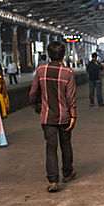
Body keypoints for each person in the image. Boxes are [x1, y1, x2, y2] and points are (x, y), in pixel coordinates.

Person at [30, 40, 77, 192]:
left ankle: (52, 181)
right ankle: (68, 172)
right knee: (66, 144)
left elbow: (33, 94)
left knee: (51, 147)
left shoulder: (40, 70)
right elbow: (70, 97)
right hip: (64, 116)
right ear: (63, 55)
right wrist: (73, 115)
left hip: (47, 116)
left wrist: (37, 107)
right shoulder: (68, 72)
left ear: (49, 54)